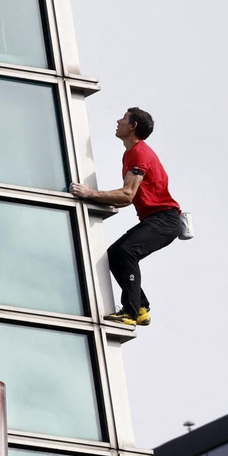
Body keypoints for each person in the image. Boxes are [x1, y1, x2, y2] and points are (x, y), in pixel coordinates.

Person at [70, 107, 184, 327]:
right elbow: (127, 196)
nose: (118, 120)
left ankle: (130, 313)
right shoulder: (131, 153)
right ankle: (140, 307)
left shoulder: (140, 153)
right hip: (157, 219)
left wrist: (90, 194)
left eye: (123, 118)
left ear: (133, 126)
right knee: (115, 254)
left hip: (165, 220)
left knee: (125, 252)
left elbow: (127, 195)